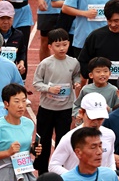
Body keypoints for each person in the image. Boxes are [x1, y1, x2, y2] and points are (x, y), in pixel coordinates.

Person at [33, 28, 81, 174]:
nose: (62, 48)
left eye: (65, 44)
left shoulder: (73, 62)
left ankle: (61, 170)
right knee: (43, 141)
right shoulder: (46, 64)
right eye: (57, 45)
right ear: (50, 47)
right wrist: (49, 88)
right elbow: (36, 83)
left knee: (62, 141)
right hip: (46, 108)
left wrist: (77, 82)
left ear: (69, 44)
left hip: (65, 109)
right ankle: (41, 169)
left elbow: (76, 76)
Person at [0, 83, 42, 181]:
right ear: (6, 104)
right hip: (2, 174)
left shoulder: (29, 124)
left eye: (24, 101)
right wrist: (8, 152)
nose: (21, 106)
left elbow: (23, 150)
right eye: (16, 101)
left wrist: (33, 150)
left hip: (23, 173)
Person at [50, 92, 117, 175]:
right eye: (92, 117)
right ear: (81, 113)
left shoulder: (110, 135)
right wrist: (76, 178)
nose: (96, 122)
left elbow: (110, 160)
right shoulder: (69, 138)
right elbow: (53, 165)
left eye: (100, 118)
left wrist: (113, 173)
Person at [0, 0, 27, 77]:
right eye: (2, 18)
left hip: (11, 74)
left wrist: (21, 62)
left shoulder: (19, 35)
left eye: (9, 18)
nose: (6, 22)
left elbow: (21, 52)